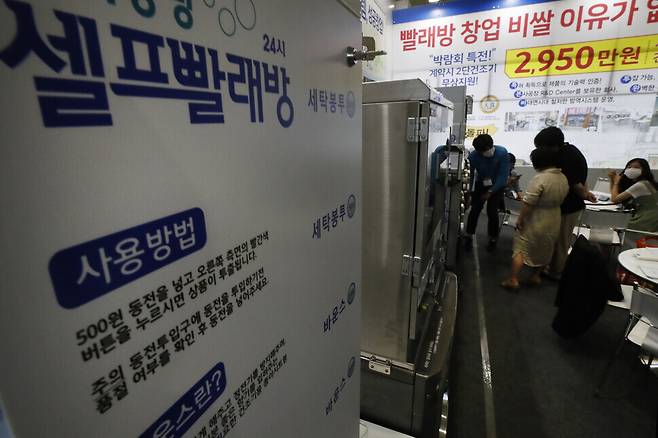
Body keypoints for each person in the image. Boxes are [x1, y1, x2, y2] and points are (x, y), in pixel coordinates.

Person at [501, 148, 569, 290]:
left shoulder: (541, 178)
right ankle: (535, 276)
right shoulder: (563, 177)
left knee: (521, 247)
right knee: (546, 247)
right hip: (555, 216)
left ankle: (513, 279)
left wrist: (521, 218)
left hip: (537, 217)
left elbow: (529, 202)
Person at [534, 127, 596, 280]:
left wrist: (585, 195)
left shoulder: (567, 158)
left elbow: (576, 183)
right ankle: (550, 266)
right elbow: (581, 180)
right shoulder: (570, 151)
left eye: (542, 147)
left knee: (562, 240)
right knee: (555, 238)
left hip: (569, 206)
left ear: (552, 145)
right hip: (565, 205)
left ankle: (556, 271)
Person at [465, 134, 509, 251]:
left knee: (492, 211)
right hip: (482, 184)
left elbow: (503, 175)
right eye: (481, 151)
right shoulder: (474, 156)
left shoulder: (502, 153)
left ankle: (493, 238)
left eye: (485, 150)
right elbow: (470, 176)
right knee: (474, 210)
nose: (484, 153)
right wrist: (469, 191)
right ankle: (468, 235)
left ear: (491, 145)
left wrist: (491, 191)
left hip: (497, 185)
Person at [608, 158, 658, 232]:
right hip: (650, 219)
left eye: (637, 167)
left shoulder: (641, 185)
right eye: (629, 167)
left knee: (609, 223)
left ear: (644, 170)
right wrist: (612, 179)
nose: (632, 169)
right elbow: (615, 195)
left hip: (645, 221)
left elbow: (614, 199)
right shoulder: (645, 182)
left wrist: (616, 182)